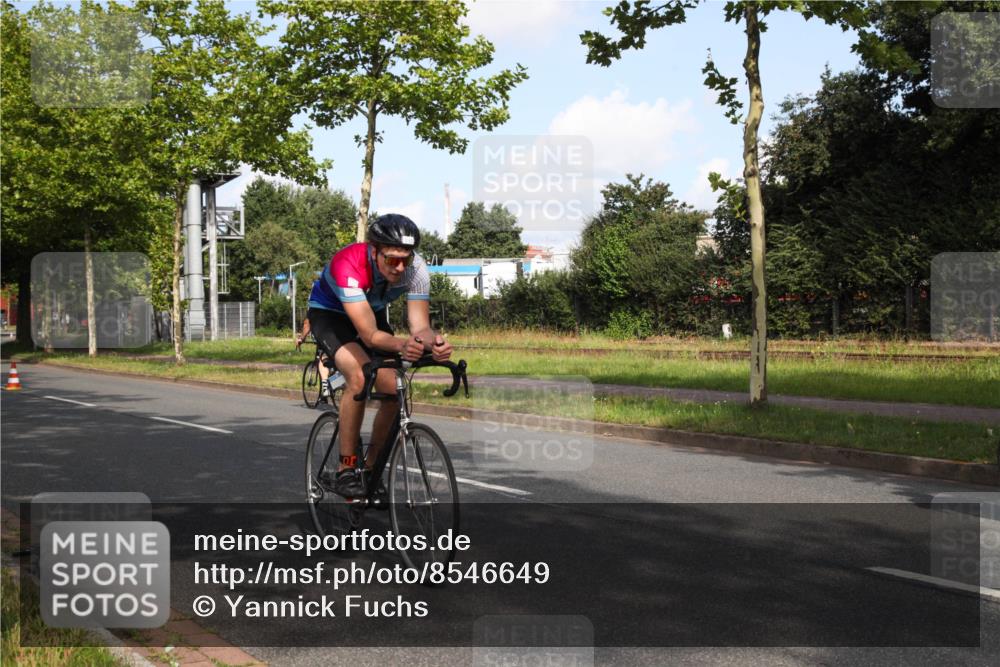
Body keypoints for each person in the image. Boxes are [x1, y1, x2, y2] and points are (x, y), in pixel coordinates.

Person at [306, 214, 452, 499]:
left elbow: (420, 327)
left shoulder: (417, 269)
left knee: (391, 388)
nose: (399, 267)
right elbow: (370, 336)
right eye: (392, 259)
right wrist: (402, 345)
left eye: (405, 260)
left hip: (368, 313)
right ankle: (346, 468)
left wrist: (434, 343)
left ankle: (371, 471)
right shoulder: (347, 264)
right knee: (360, 376)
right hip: (330, 316)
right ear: (374, 251)